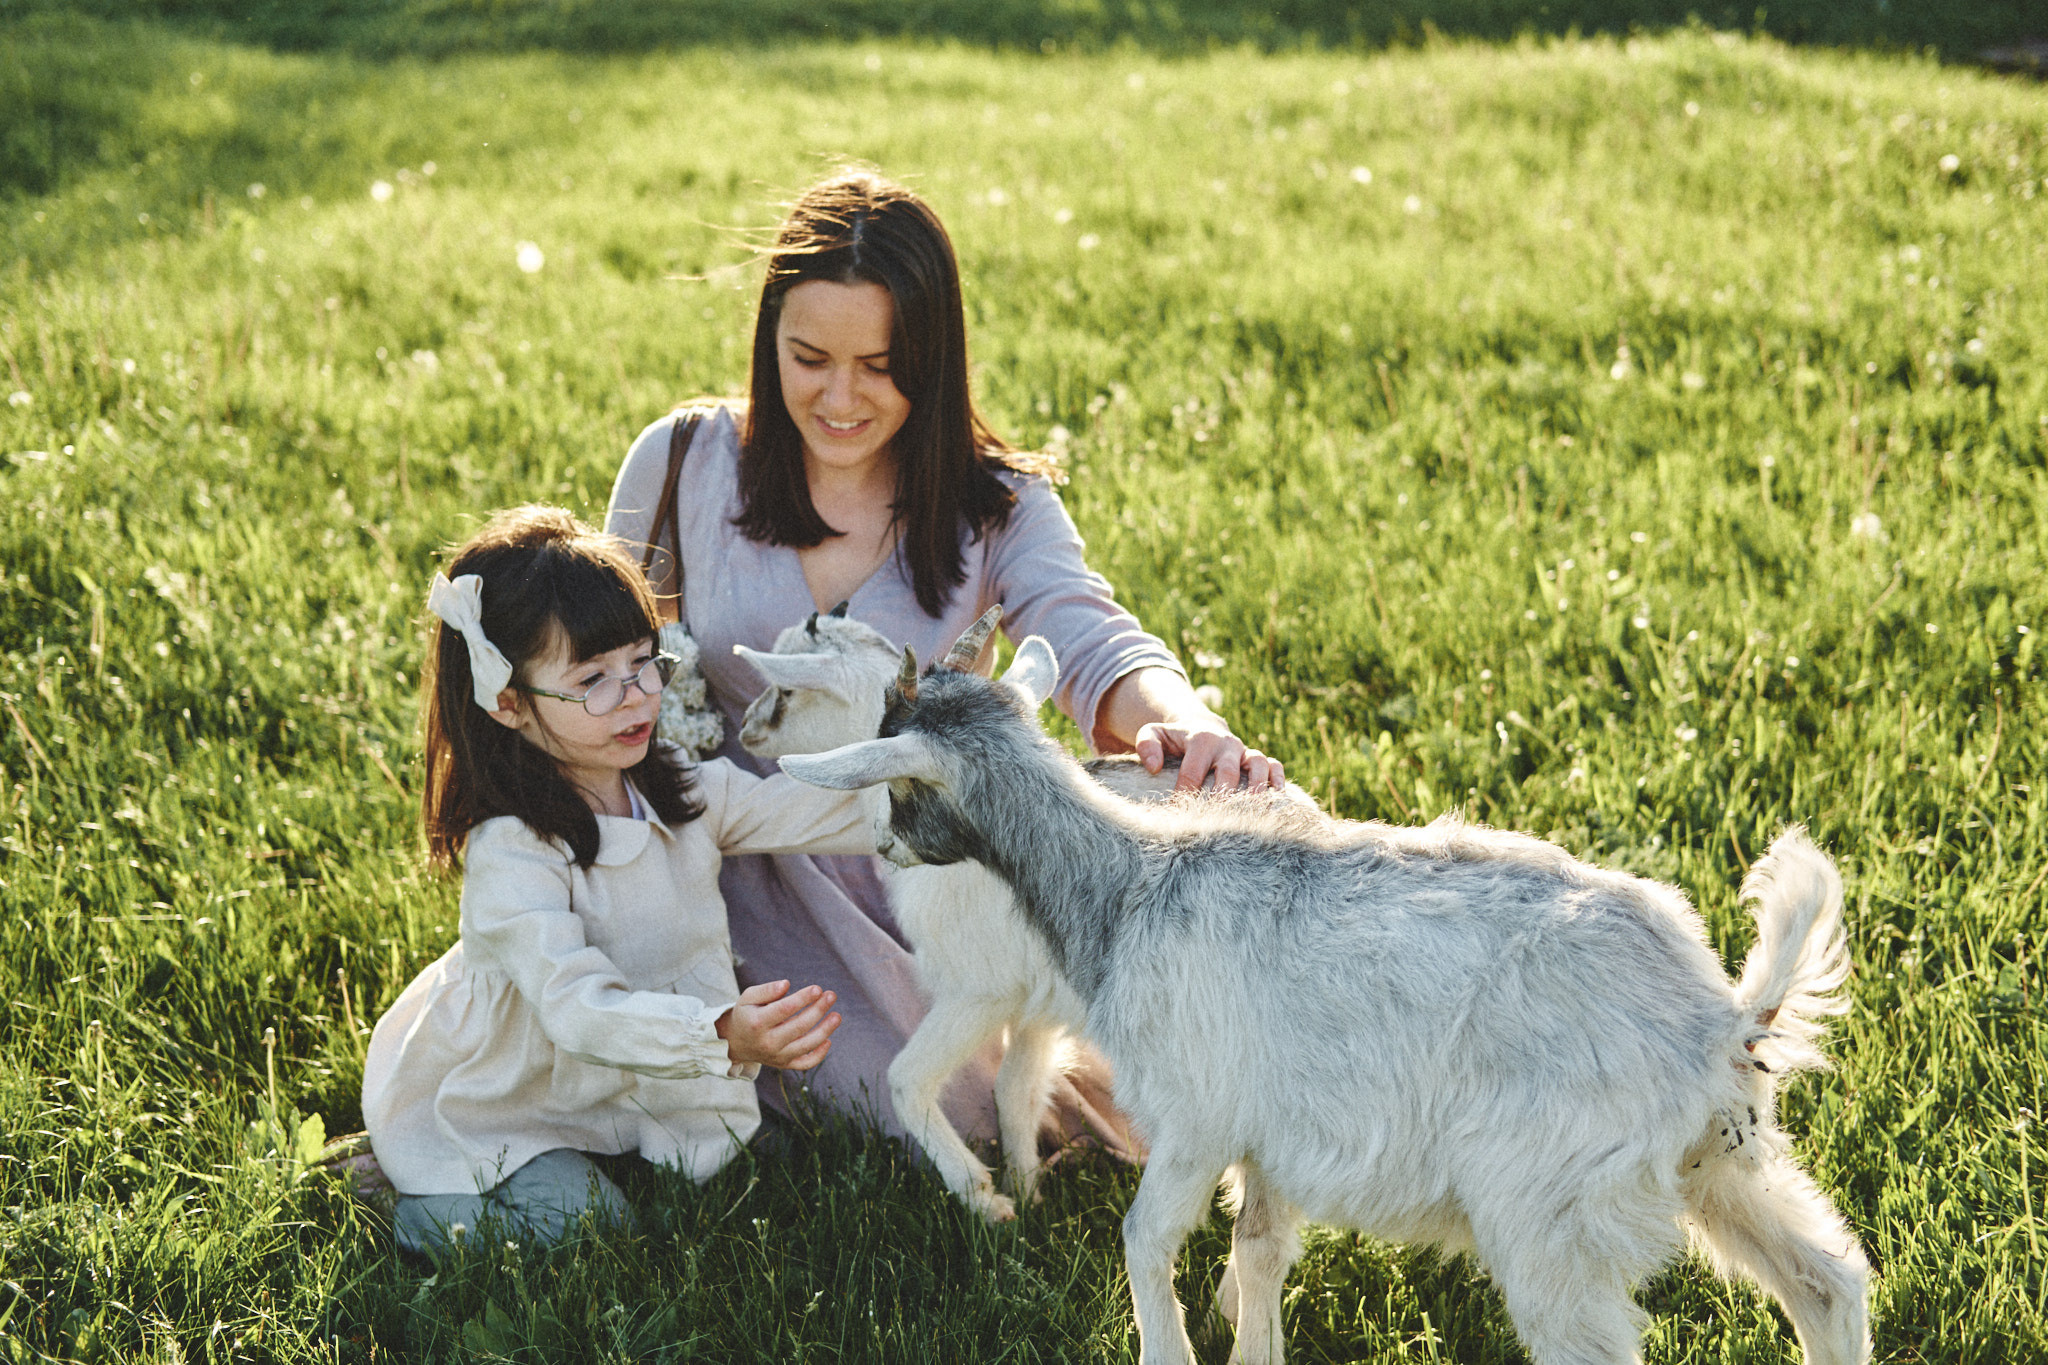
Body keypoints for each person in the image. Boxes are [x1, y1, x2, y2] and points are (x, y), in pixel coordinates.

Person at [606, 169, 1284, 1151]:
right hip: (709, 868)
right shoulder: (678, 463)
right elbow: (596, 668)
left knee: (937, 1106)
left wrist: (1180, 718)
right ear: (769, 346)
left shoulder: (993, 504)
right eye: (808, 359)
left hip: (911, 882)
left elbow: (1092, 637)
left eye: (880, 366)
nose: (840, 399)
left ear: (934, 360)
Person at [361, 505, 875, 1253]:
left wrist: (936, 788)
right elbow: (579, 1013)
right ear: (508, 702)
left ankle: (619, 1146)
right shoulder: (514, 852)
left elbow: (816, 810)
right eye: (594, 679)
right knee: (590, 1229)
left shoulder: (680, 794)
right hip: (513, 1097)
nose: (635, 694)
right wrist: (722, 1034)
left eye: (644, 661)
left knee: (752, 1168)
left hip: (624, 1075)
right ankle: (407, 1204)